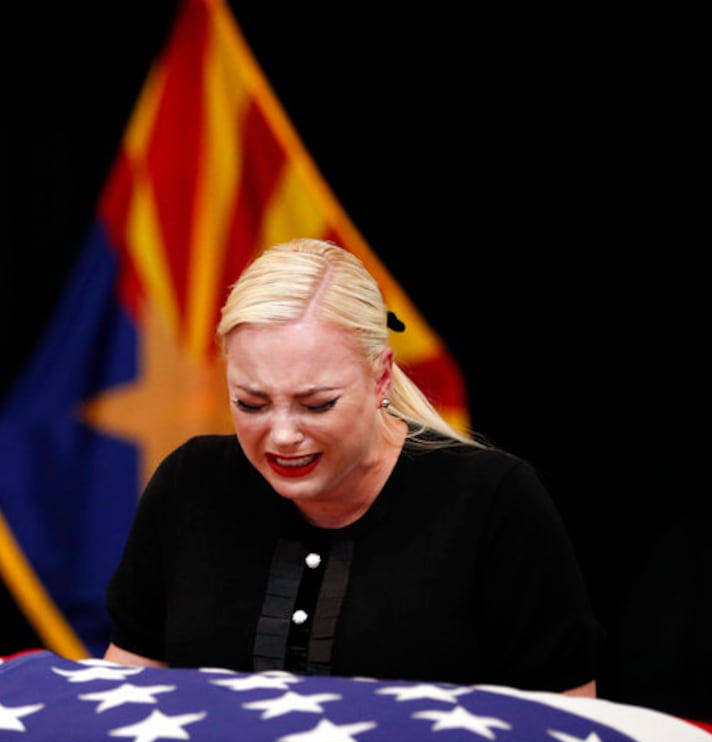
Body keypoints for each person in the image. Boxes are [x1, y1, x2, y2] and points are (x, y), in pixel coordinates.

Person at [103, 238, 601, 696]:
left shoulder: (493, 501)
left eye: (316, 404)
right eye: (251, 404)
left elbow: (568, 725)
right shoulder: (189, 485)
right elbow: (126, 696)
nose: (281, 435)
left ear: (381, 377)